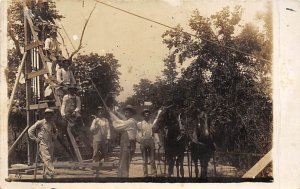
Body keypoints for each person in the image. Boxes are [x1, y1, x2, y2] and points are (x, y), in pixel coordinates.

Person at [28, 108, 58, 178]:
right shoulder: (40, 122)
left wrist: (54, 137)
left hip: (50, 143)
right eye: (47, 114)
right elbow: (30, 130)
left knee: (49, 159)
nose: (49, 116)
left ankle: (46, 174)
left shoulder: (52, 123)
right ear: (45, 115)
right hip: (43, 143)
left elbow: (55, 131)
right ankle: (52, 171)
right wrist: (35, 139)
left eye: (51, 114)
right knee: (47, 158)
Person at [108, 105, 137, 177]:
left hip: (127, 145)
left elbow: (118, 125)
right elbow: (120, 120)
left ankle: (123, 180)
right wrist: (111, 113)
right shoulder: (129, 121)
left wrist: (112, 118)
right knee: (122, 163)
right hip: (125, 145)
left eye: (128, 112)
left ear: (131, 114)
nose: (126, 114)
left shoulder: (130, 122)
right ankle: (121, 177)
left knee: (124, 164)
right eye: (125, 112)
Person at [137, 109, 160, 177]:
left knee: (152, 159)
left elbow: (155, 133)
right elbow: (138, 133)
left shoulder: (152, 124)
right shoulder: (139, 124)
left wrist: (158, 142)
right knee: (144, 160)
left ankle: (154, 173)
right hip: (143, 141)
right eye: (145, 113)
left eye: (148, 113)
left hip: (151, 141)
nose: (147, 114)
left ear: (149, 115)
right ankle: (145, 174)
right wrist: (139, 140)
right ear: (143, 115)